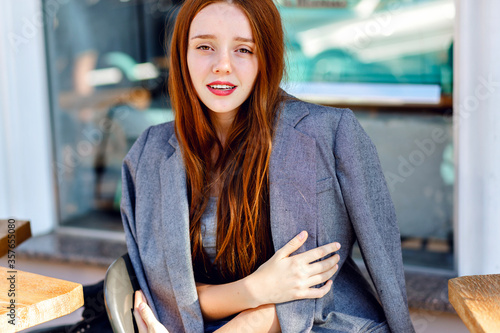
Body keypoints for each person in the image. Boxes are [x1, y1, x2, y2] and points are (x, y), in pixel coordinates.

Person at [122, 0, 416, 332]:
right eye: (204, 46)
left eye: (244, 50)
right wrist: (255, 290)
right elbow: (168, 293)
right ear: (182, 55)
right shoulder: (149, 153)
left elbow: (342, 279)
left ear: (267, 57)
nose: (222, 65)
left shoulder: (330, 133)